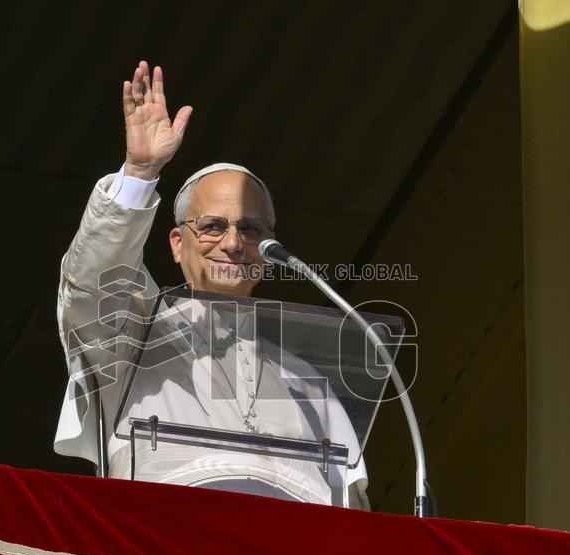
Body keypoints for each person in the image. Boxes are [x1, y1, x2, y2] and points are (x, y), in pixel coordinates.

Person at [54, 61, 368, 508]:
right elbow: (92, 283)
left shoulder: (308, 383)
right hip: (169, 544)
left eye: (252, 229)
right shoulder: (131, 340)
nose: (234, 243)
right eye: (213, 226)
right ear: (178, 244)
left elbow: (350, 515)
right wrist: (139, 173)